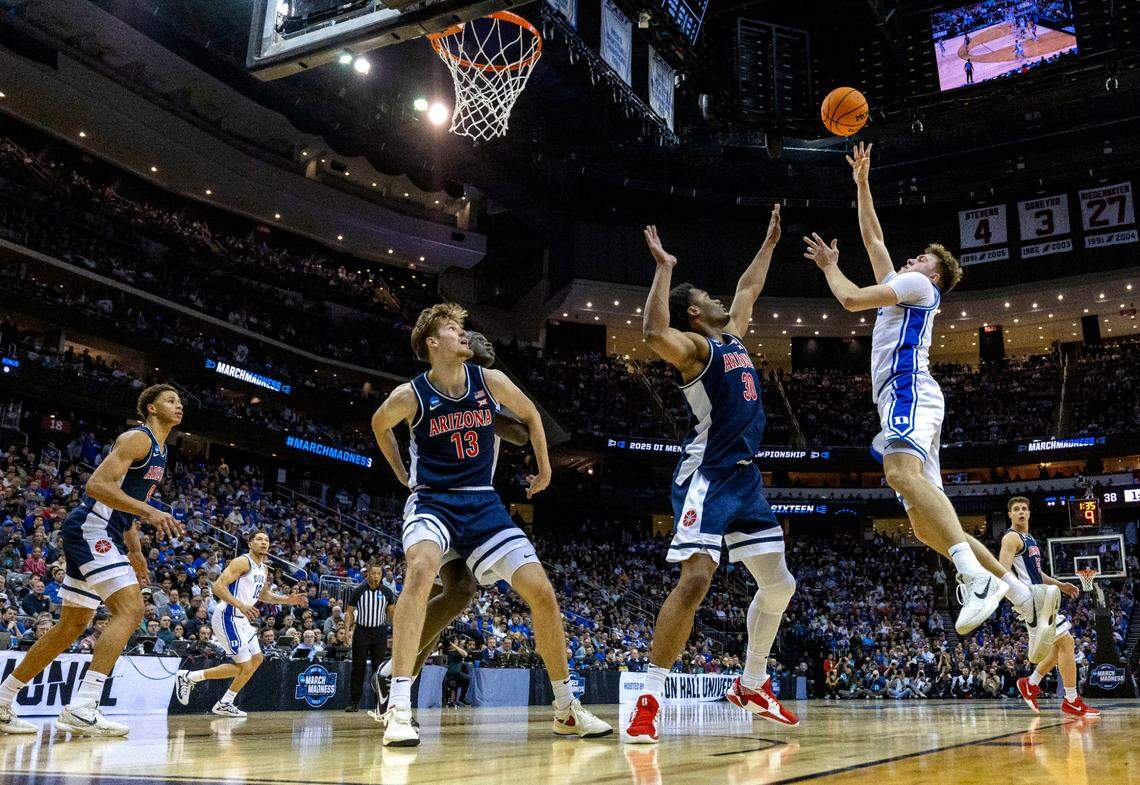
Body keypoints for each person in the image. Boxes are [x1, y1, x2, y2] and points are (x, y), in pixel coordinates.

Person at [802, 141, 1059, 659]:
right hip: (909, 398)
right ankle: (1023, 596)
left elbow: (851, 299)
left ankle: (976, 578)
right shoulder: (907, 282)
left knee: (899, 474)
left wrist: (830, 268)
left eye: (919, 256)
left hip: (908, 392)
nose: (908, 258)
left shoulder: (918, 284)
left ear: (932, 272)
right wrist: (861, 183)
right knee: (923, 523)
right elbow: (873, 237)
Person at [371, 302, 610, 746]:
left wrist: (546, 469)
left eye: (464, 329)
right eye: (452, 329)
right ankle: (399, 707)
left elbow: (532, 419)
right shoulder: (412, 393)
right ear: (431, 343)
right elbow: (378, 423)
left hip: (483, 505)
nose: (463, 334)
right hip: (433, 503)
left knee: (540, 591)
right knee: (421, 569)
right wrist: (402, 472)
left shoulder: (490, 381)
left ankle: (566, 709)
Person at [625, 205, 797, 745]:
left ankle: (752, 682)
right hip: (708, 475)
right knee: (697, 579)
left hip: (745, 481)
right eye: (710, 300)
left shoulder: (737, 338)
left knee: (780, 584)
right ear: (695, 314)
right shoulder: (699, 350)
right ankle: (648, 700)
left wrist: (769, 243)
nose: (723, 301)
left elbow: (748, 286)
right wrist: (664, 268)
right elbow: (654, 331)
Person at [0, 384, 183, 736]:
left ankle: (4, 698)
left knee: (72, 626)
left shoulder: (160, 452)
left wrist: (136, 551)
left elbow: (125, 503)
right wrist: (151, 512)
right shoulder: (138, 439)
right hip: (91, 528)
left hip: (107, 533)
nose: (179, 406)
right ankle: (84, 705)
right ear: (151, 408)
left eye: (180, 402)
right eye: (171, 400)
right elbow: (97, 487)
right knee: (131, 610)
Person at [371, 329, 529, 709]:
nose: (487, 343)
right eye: (476, 337)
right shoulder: (432, 392)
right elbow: (381, 423)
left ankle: (395, 673)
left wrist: (490, 396)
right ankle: (397, 677)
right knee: (447, 587)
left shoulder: (484, 389)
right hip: (439, 502)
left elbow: (522, 434)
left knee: (459, 592)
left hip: (474, 504)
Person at [174, 531, 307, 717]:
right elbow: (218, 587)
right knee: (244, 666)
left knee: (257, 659)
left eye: (267, 540)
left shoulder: (264, 568)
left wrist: (288, 600)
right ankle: (189, 677)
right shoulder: (242, 562)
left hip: (242, 619)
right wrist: (241, 605)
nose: (264, 542)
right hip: (227, 616)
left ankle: (225, 703)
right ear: (250, 543)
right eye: (259, 539)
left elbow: (264, 595)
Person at [1004, 497, 1102, 718]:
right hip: (1032, 600)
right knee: (1067, 642)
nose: (1021, 512)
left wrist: (1061, 585)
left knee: (1060, 647)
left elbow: (1037, 574)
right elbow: (1002, 569)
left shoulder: (1028, 538)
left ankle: (1031, 684)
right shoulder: (1011, 537)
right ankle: (1071, 700)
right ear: (1010, 515)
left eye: (1024, 509)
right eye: (1016, 509)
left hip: (1040, 597)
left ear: (1029, 514)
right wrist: (1018, 597)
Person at [345, 561, 396, 713]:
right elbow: (349, 612)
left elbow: (392, 614)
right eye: (373, 573)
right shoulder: (358, 591)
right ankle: (354, 702)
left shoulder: (387, 592)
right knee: (357, 668)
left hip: (379, 632)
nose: (376, 576)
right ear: (367, 574)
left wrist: (395, 632)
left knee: (379, 669)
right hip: (361, 631)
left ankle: (379, 704)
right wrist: (347, 630)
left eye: (378, 574)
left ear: (382, 576)